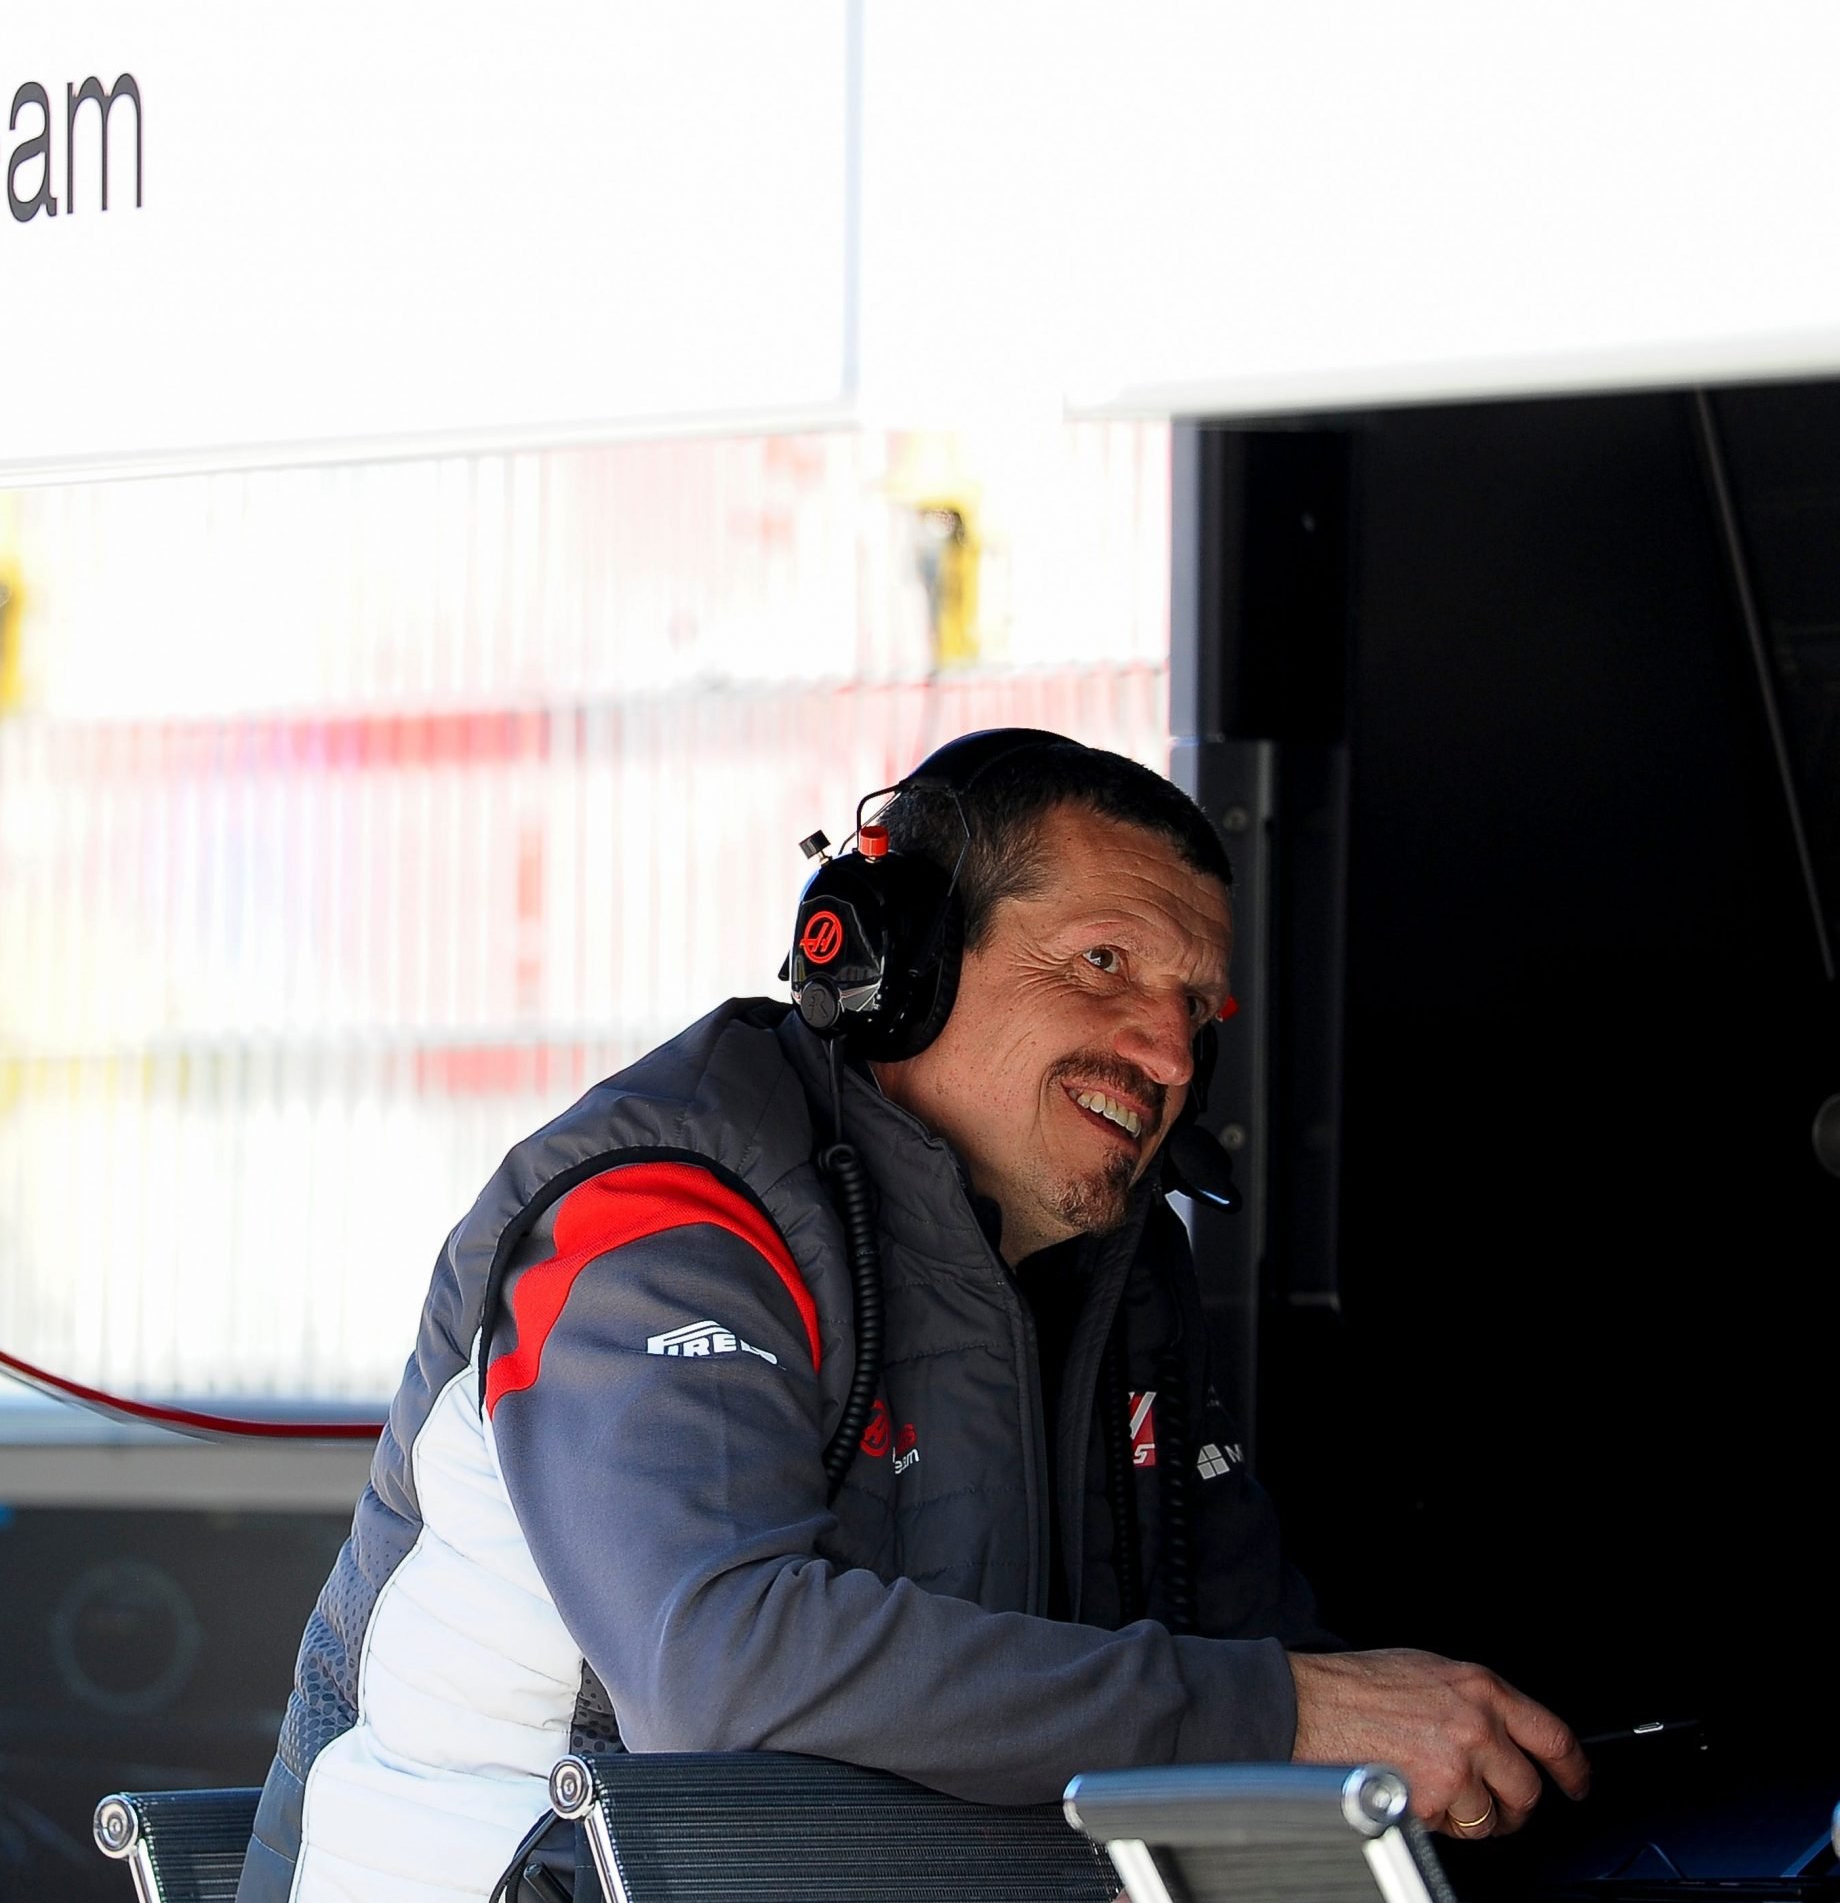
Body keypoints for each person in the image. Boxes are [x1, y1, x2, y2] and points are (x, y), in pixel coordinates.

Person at [237, 730, 1587, 1903]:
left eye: (1192, 1008)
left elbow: (1251, 1653)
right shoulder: (670, 1214)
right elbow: (724, 1667)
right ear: (899, 961)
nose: (1169, 1053)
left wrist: (1406, 1756)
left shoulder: (1117, 1276)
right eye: (1103, 962)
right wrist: (1283, 1719)